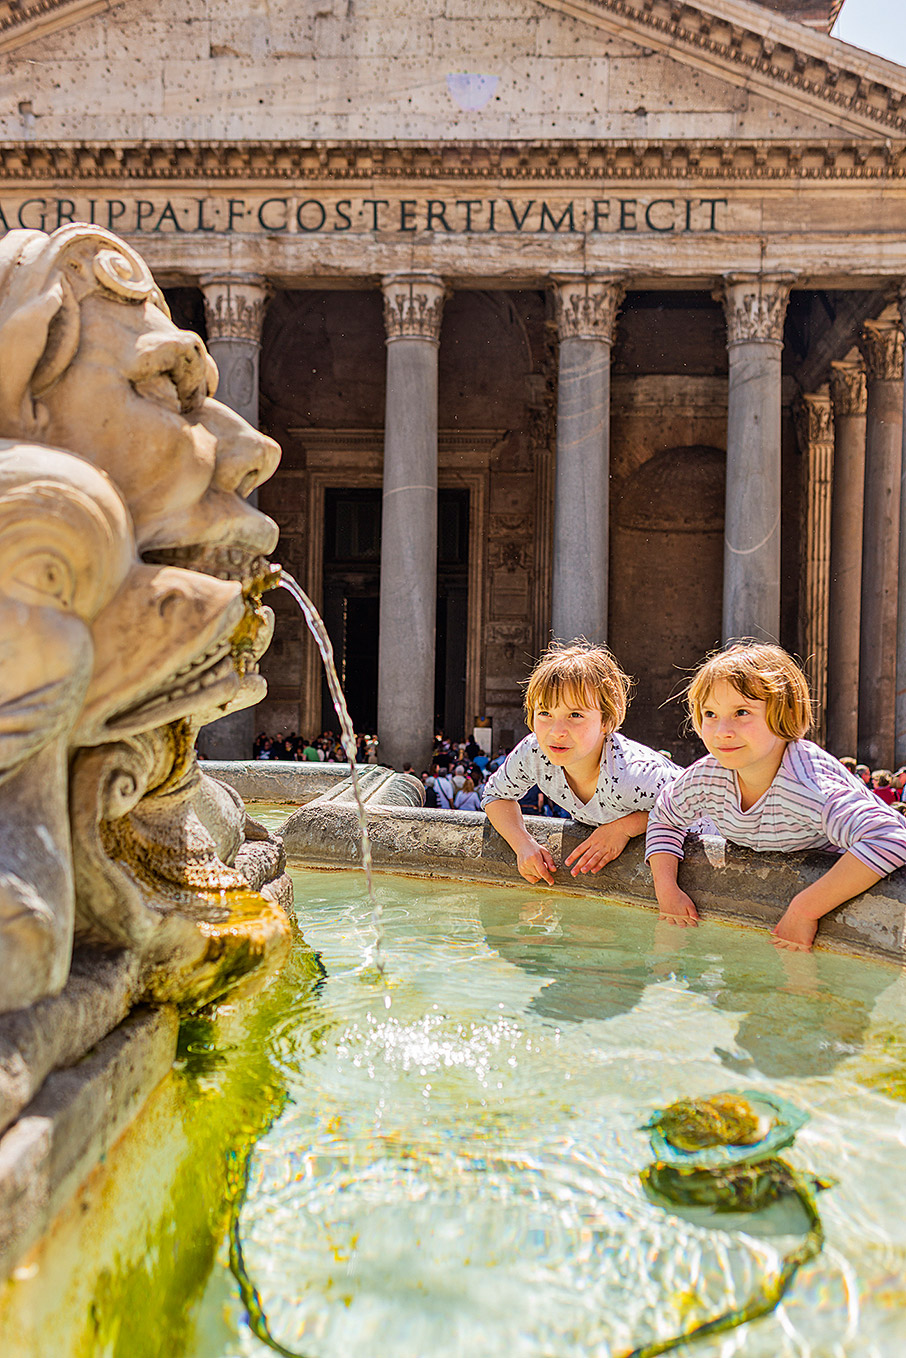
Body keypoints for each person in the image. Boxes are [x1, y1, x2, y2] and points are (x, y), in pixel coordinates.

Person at [646, 641, 906, 952]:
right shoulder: (707, 776)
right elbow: (664, 817)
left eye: (742, 712)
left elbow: (891, 837)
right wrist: (666, 888)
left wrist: (806, 909)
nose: (722, 730)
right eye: (710, 714)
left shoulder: (804, 785)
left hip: (839, 902)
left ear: (784, 714)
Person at [481, 640, 682, 884]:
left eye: (575, 715)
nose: (557, 731)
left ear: (606, 722)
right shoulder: (535, 752)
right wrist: (523, 844)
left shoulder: (632, 774)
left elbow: (694, 803)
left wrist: (624, 829)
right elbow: (495, 795)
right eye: (545, 712)